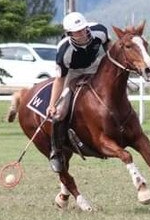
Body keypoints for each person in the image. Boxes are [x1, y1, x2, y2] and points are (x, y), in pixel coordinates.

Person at [46, 12, 110, 173]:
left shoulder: (100, 31)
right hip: (73, 74)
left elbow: (109, 47)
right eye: (78, 31)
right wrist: (52, 104)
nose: (83, 33)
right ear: (69, 34)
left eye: (84, 28)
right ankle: (56, 153)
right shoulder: (64, 51)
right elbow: (59, 79)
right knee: (59, 114)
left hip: (95, 66)